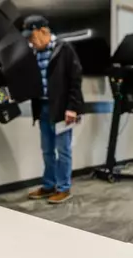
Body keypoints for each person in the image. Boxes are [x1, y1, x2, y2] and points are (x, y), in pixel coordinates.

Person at [23, 15, 84, 204]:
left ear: (43, 31)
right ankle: (49, 185)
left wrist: (72, 108)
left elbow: (75, 79)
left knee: (63, 150)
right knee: (47, 150)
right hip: (43, 108)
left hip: (61, 109)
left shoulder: (64, 49)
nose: (30, 42)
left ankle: (64, 188)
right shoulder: (34, 53)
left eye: (32, 37)